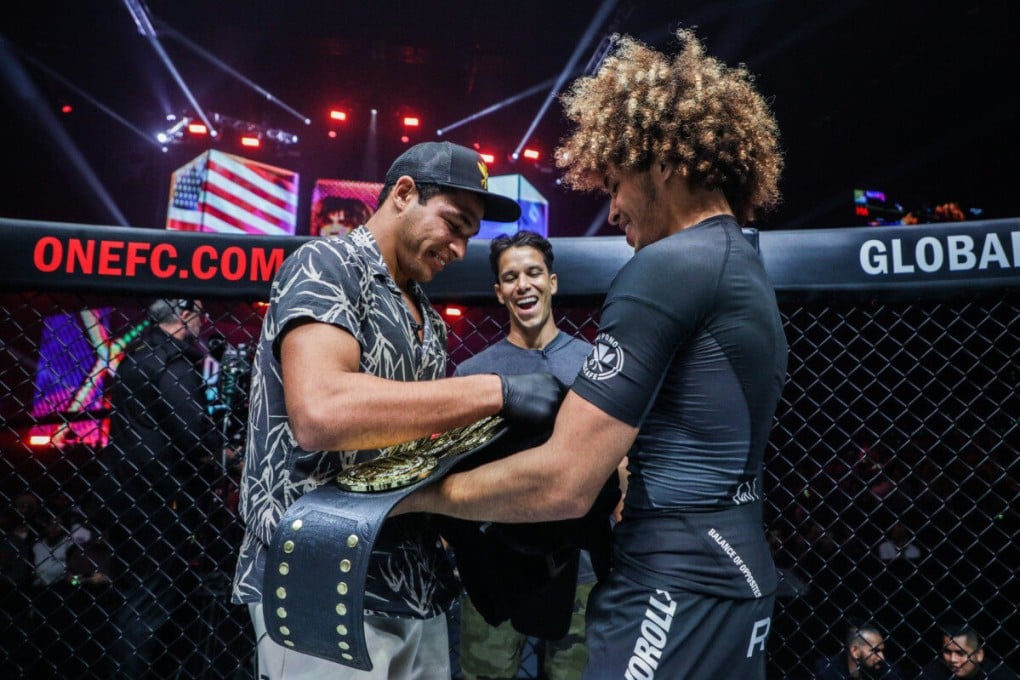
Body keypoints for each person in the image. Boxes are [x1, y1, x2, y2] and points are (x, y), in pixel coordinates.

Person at [396, 28, 788, 680]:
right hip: (734, 576)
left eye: (614, 181)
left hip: (675, 587)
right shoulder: (741, 262)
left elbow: (565, 481)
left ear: (660, 160)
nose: (612, 211)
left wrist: (412, 497)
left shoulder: (667, 267)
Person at [230, 140, 568, 679]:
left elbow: (415, 451)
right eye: (454, 225)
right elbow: (321, 411)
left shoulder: (427, 317)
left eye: (468, 236)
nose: (459, 248)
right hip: (320, 571)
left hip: (412, 582)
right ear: (404, 194)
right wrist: (496, 392)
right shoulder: (328, 262)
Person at [454, 231, 593, 680]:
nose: (523, 285)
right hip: (496, 565)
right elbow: (458, 470)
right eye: (510, 277)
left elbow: (621, 461)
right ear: (499, 292)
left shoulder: (593, 365)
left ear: (551, 282)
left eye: (533, 273)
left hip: (580, 562)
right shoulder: (473, 375)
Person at [100, 297, 226, 678]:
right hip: (158, 499)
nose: (203, 324)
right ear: (186, 315)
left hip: (128, 496)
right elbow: (191, 432)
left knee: (134, 596)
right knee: (149, 601)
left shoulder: (135, 356)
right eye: (201, 315)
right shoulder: (170, 362)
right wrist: (228, 452)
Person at [920, 623, 1019, 679]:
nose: (952, 659)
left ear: (979, 655)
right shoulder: (932, 673)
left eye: (960, 653)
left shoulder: (1001, 676)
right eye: (947, 652)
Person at [814, 623, 902, 679]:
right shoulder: (827, 670)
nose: (882, 657)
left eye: (882, 651)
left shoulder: (889, 672)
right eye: (875, 650)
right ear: (855, 651)